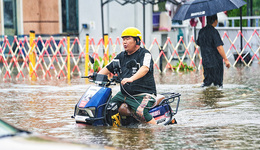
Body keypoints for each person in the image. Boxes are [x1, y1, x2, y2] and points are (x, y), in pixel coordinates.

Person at [98, 27, 157, 124]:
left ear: (137, 41)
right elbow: (108, 68)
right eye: (123, 39)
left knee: (141, 112)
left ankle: (157, 130)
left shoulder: (145, 54)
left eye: (128, 39)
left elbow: (145, 68)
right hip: (124, 95)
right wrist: (96, 75)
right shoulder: (121, 56)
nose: (125, 42)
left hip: (143, 94)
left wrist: (131, 79)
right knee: (107, 108)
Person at [196, 14, 231, 88]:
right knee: (218, 85)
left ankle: (207, 98)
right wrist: (226, 59)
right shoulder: (214, 32)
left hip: (206, 62)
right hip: (216, 63)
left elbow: (198, 43)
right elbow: (219, 47)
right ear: (215, 21)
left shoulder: (201, 31)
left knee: (207, 84)